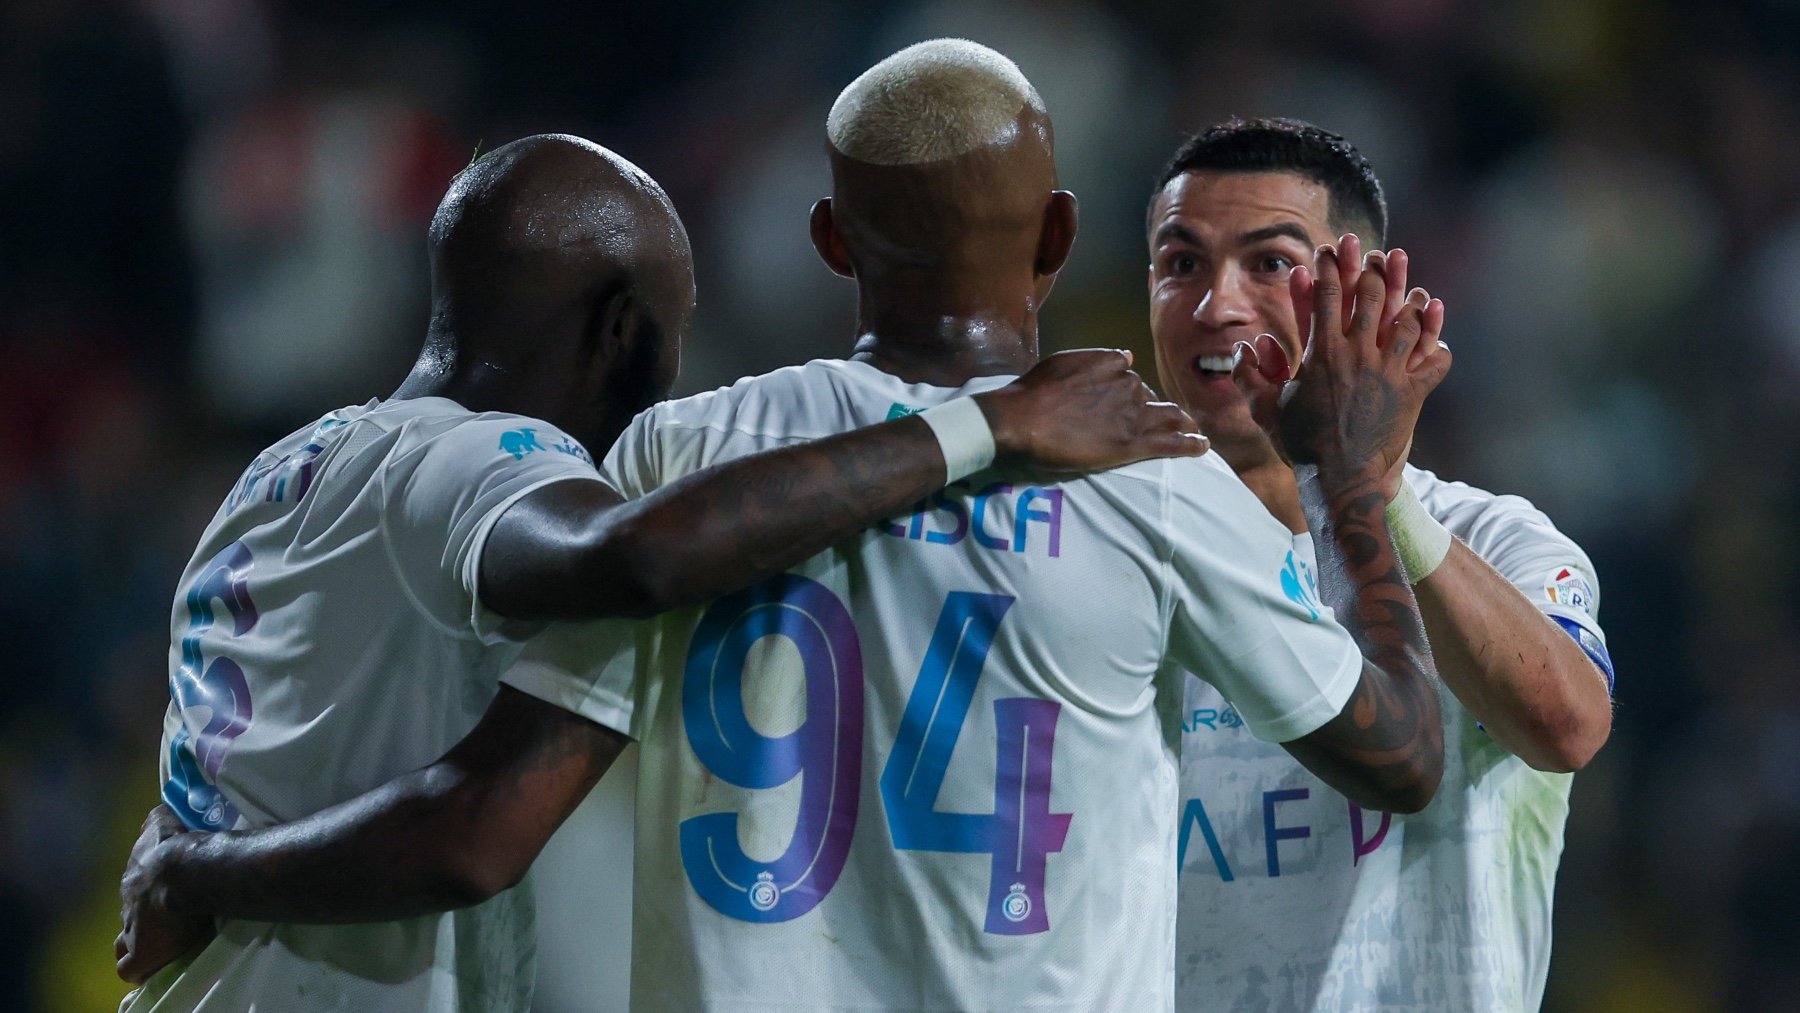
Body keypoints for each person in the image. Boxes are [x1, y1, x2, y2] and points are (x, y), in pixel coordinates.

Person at [120, 43, 1449, 1011]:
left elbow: (497, 810)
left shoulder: (684, 455)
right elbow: (1399, 752)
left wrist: (211, 864)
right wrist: (1352, 480)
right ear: (1058, 234)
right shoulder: (1157, 473)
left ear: (827, 237)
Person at [1147, 117, 1616, 1011]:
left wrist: (1365, 487)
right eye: (1182, 264)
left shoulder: (1496, 536)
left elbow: (1567, 723)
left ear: (1365, 296)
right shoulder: (1115, 551)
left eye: (1272, 262)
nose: (1218, 307)